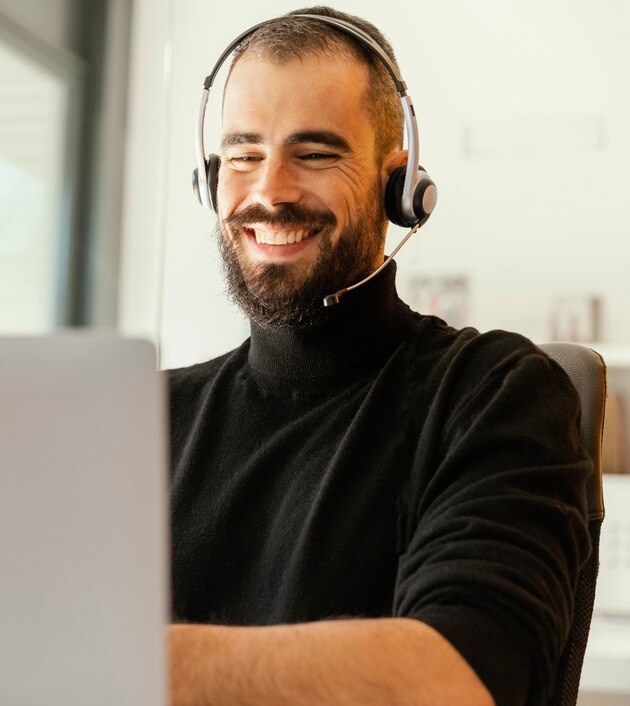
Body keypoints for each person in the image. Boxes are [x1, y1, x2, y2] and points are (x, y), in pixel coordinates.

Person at [167, 7, 591, 706]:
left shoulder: (490, 393)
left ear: (399, 186)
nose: (268, 191)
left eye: (314, 153)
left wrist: (128, 665)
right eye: (242, 154)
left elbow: (464, 678)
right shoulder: (144, 415)